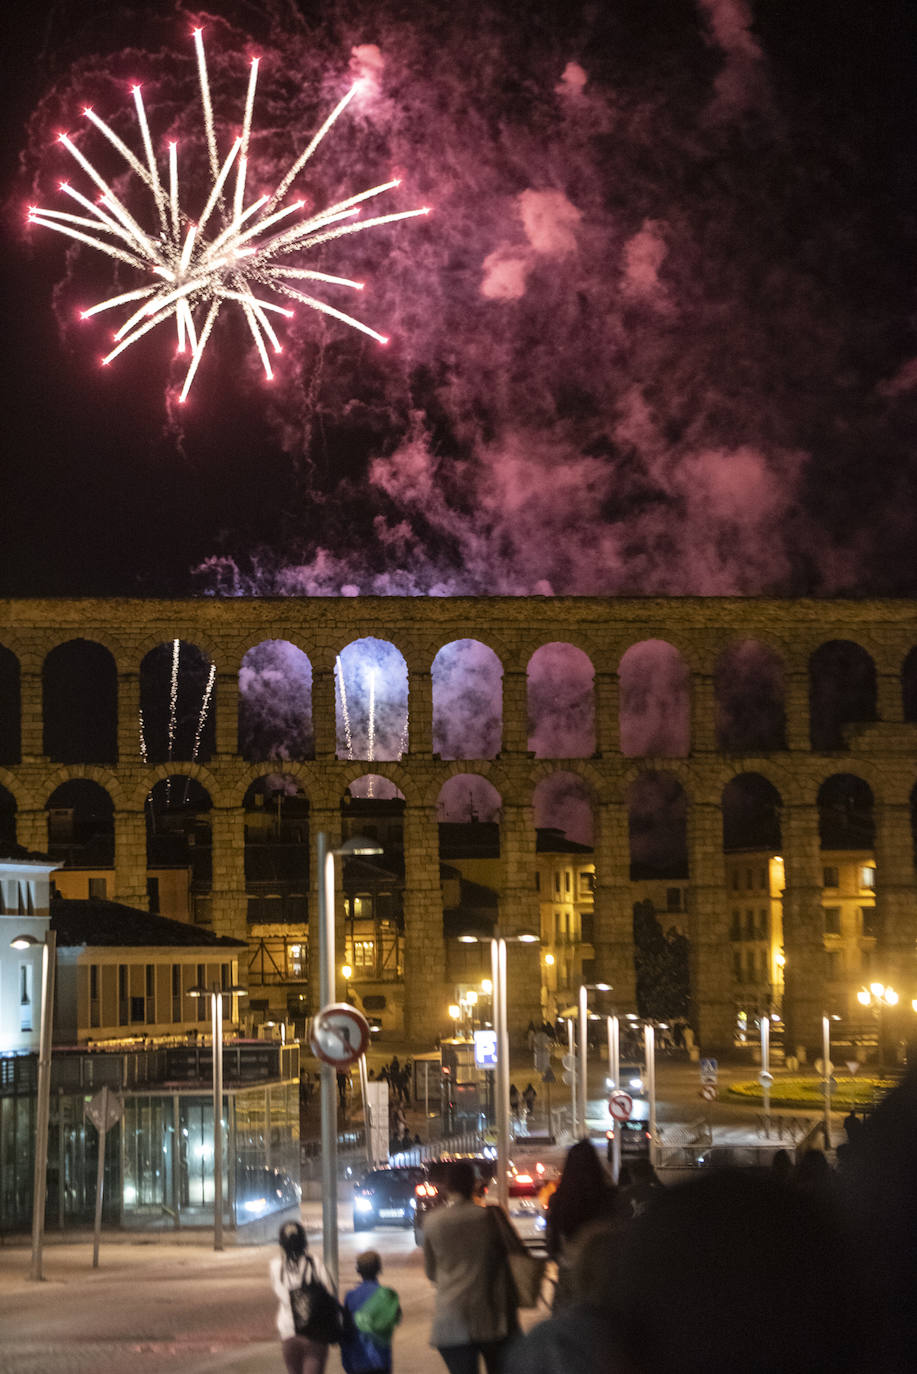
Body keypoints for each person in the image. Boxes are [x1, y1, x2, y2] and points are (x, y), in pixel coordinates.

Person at [423, 1158, 522, 1373]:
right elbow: (515, 1256)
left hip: (450, 1321)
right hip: (491, 1318)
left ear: (448, 1187)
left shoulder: (432, 1221)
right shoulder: (488, 1218)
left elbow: (431, 1273)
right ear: (475, 1185)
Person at [545, 1139, 619, 1309]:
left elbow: (552, 1245)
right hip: (603, 1273)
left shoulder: (559, 1201)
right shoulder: (609, 1197)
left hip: (570, 1273)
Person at [270, 1220, 335, 1374]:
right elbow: (330, 1292)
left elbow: (279, 1291)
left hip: (289, 1331)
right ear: (304, 1241)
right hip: (315, 1331)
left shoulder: (275, 1266)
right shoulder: (315, 1263)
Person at [341, 1250, 401, 1374]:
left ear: (358, 1271)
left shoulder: (350, 1297)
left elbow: (346, 1329)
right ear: (379, 1269)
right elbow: (396, 1318)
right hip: (381, 1359)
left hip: (357, 1359)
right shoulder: (387, 1295)